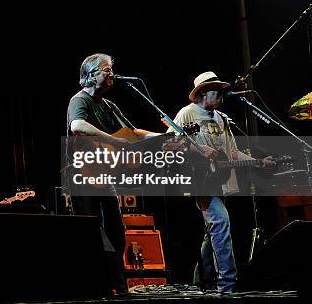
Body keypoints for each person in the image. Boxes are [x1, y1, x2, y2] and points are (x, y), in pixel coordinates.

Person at [169, 71, 275, 293]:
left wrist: (257, 161)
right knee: (221, 222)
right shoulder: (186, 115)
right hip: (202, 182)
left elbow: (233, 153)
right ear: (203, 93)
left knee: (214, 230)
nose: (222, 97)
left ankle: (202, 280)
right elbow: (168, 145)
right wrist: (196, 150)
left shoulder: (222, 118)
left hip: (223, 181)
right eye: (218, 91)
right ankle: (228, 285)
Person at [66, 53, 161, 294]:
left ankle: (117, 288)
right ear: (90, 75)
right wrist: (113, 142)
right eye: (106, 70)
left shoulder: (109, 106)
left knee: (117, 233)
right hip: (82, 176)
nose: (112, 74)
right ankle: (94, 288)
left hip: (103, 178)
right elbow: (77, 126)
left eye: (111, 70)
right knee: (92, 236)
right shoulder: (80, 100)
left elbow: (132, 132)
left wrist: (164, 137)